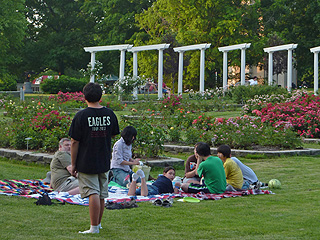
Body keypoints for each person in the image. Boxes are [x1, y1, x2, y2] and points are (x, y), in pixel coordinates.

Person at [69, 82, 120, 234]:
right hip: (104, 159)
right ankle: (98, 224)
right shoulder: (110, 114)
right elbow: (113, 133)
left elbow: (74, 141)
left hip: (86, 160)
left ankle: (94, 228)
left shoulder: (81, 116)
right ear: (101, 96)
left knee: (93, 193)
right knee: (101, 193)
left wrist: (73, 164)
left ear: (84, 96)